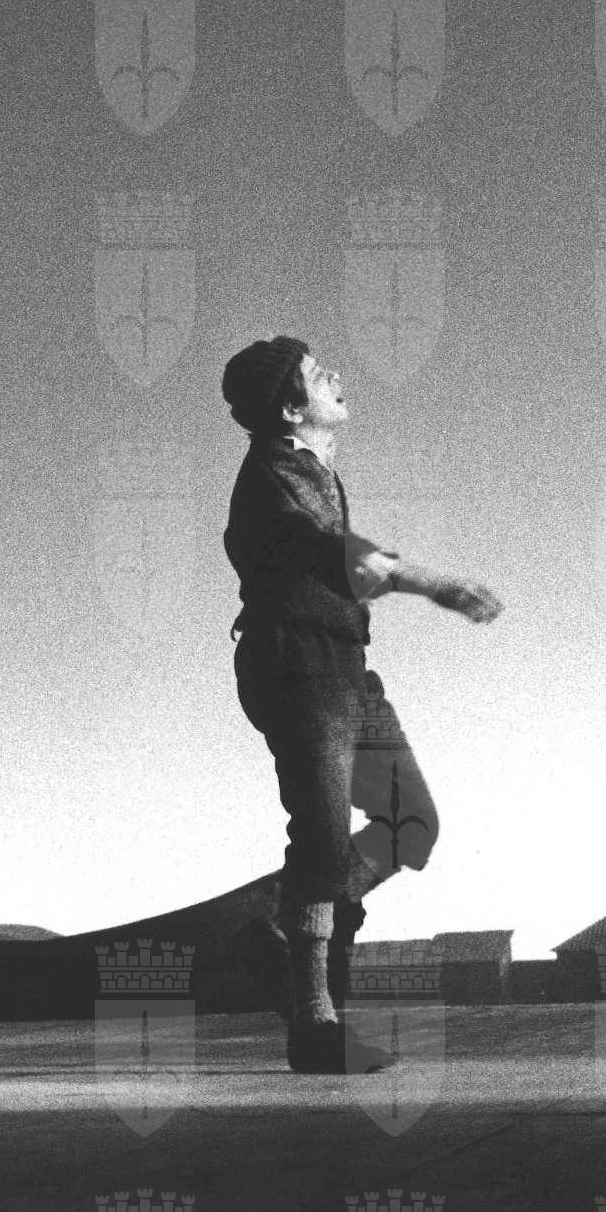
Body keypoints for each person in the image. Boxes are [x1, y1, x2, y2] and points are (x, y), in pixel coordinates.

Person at [219, 335, 502, 1073]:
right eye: (318, 375)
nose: (335, 376)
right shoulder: (272, 474)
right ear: (290, 409)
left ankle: (283, 943)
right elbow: (331, 552)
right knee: (319, 842)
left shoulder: (312, 470)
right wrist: (437, 584)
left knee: (412, 823)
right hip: (296, 661)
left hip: (344, 664)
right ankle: (315, 1023)